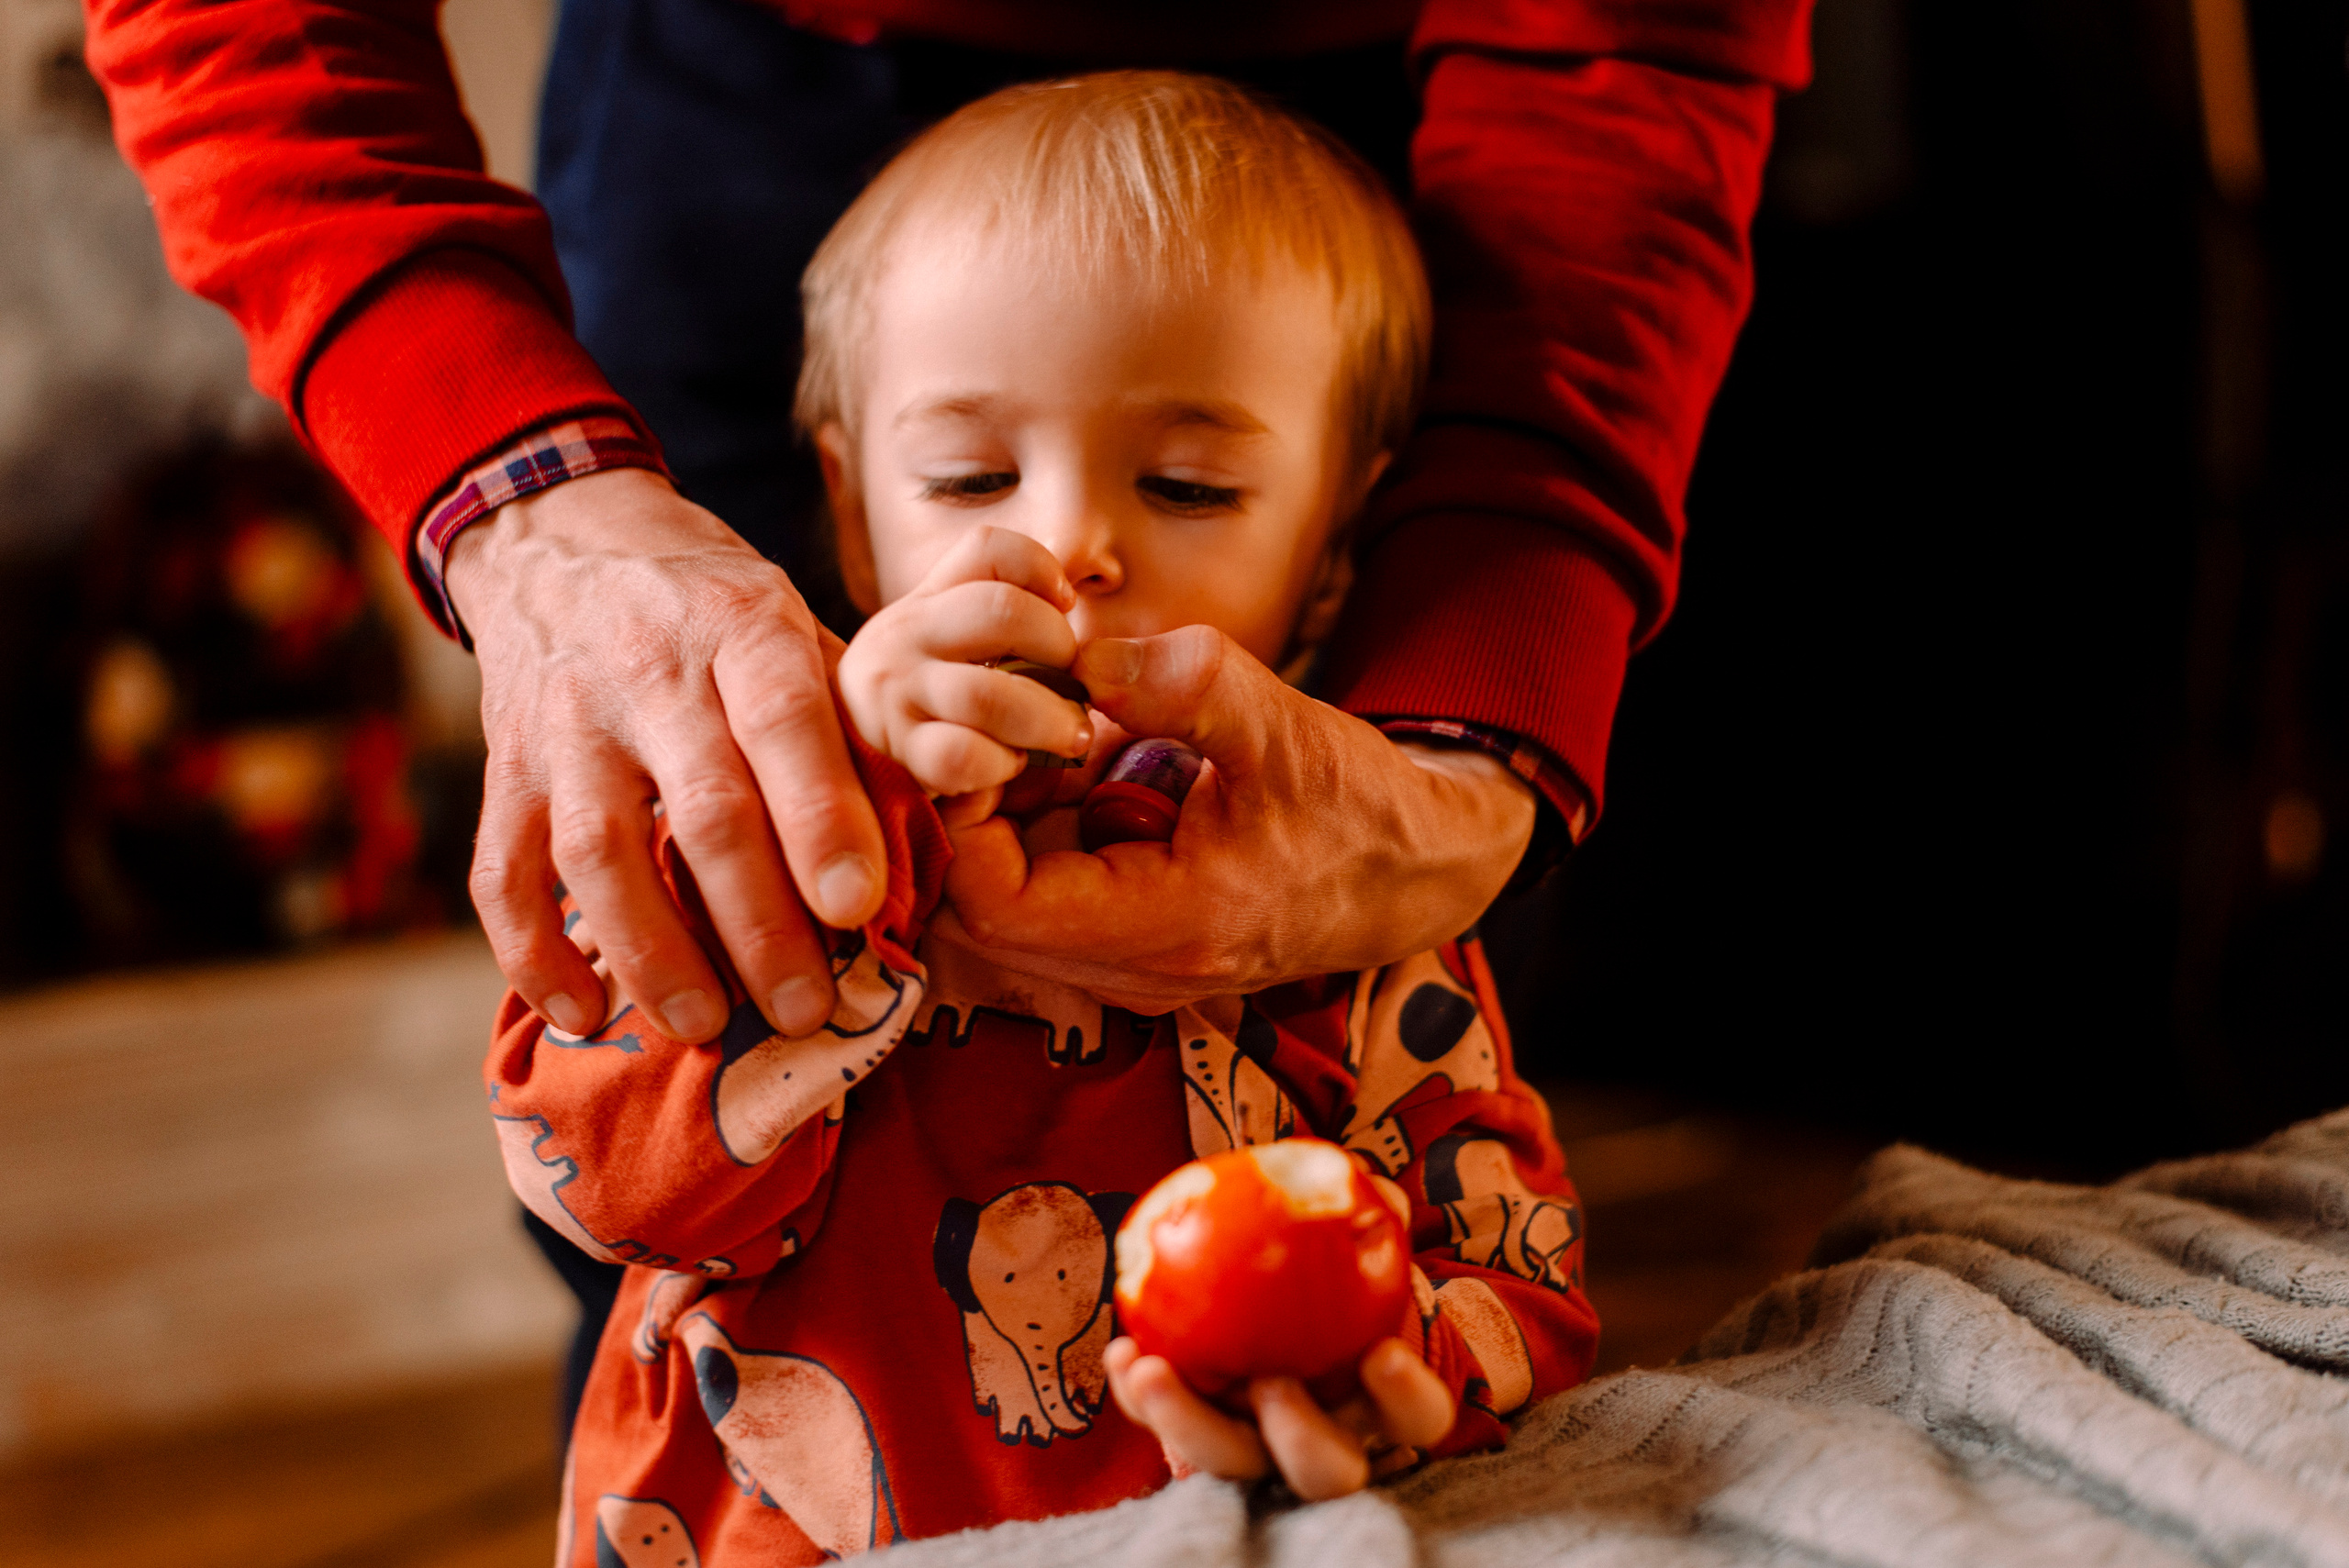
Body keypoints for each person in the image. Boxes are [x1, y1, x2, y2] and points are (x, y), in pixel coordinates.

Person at [488, 75, 1596, 1561]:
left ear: (1337, 549)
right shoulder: (743, 815)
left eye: (1189, 484)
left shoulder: (1351, 866)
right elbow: (602, 1178)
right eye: (972, 474)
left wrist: (1406, 1368)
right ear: (853, 507)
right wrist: (860, 833)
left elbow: (1521, 1283)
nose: (1068, 543)